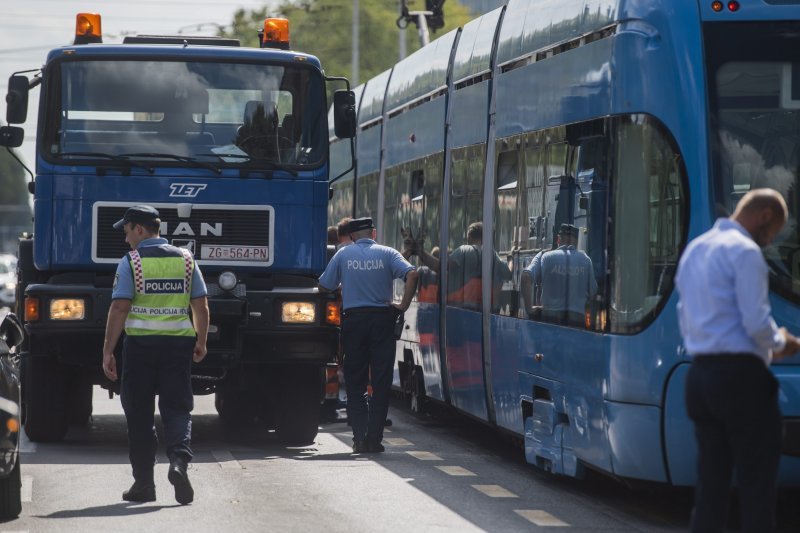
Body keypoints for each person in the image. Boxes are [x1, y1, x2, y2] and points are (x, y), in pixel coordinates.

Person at [675, 188, 800, 533]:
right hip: (740, 379)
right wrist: (784, 342)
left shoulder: (695, 250)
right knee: (757, 485)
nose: (770, 240)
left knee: (711, 488)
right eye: (773, 231)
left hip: (699, 378)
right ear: (764, 216)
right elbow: (757, 323)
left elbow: (685, 317)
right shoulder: (745, 252)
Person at [101, 205, 209, 505]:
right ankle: (178, 462)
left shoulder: (132, 261)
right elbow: (200, 305)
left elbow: (120, 307)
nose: (126, 240)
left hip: (140, 348)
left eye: (126, 232)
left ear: (139, 229)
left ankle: (144, 484)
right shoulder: (186, 260)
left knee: (139, 413)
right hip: (177, 346)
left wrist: (108, 350)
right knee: (177, 408)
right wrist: (200, 341)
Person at [318, 217, 418, 453]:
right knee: (381, 381)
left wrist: (347, 285)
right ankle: (374, 439)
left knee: (355, 381)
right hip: (382, 319)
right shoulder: (388, 253)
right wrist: (402, 305)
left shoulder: (343, 254)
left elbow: (324, 285)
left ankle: (359, 438)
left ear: (352, 236)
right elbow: (412, 274)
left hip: (354, 321)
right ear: (373, 233)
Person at [522, 223, 596, 325]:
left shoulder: (544, 256)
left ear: (558, 240)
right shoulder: (586, 260)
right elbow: (593, 293)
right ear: (577, 241)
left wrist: (529, 309)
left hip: (549, 319)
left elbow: (525, 277)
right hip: (577, 322)